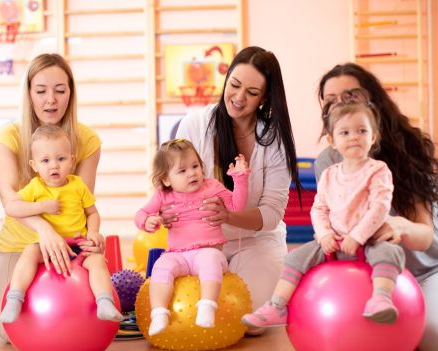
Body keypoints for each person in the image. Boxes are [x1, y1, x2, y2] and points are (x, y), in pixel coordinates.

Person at [242, 88, 405, 329]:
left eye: (362, 131)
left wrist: (358, 236)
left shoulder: (377, 170)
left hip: (369, 240)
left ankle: (380, 299)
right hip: (334, 242)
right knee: (296, 256)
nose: (354, 137)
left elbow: (380, 207)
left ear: (373, 137)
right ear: (332, 141)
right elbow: (319, 209)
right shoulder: (329, 174)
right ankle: (277, 306)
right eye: (345, 132)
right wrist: (326, 235)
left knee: (390, 253)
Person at [314, 63, 438, 351]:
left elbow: (425, 237)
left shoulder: (407, 149)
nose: (340, 104)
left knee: (431, 342)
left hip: (425, 267)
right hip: (370, 269)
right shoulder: (328, 162)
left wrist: (400, 226)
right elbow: (332, 223)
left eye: (350, 95)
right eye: (330, 100)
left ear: (373, 103)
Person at [174, 46, 301, 326]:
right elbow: (173, 183)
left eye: (252, 93)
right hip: (199, 241)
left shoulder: (273, 140)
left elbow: (271, 214)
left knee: (247, 321)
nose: (239, 98)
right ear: (226, 78)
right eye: (234, 85)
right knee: (194, 318)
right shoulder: (195, 124)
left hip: (257, 242)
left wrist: (229, 216)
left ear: (265, 97)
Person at [0, 53, 102, 340]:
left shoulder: (87, 140)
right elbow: (9, 200)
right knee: (8, 334)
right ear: (29, 93)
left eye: (60, 90)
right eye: (41, 91)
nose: (50, 99)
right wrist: (43, 229)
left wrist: (91, 236)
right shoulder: (10, 137)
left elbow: (85, 203)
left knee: (73, 329)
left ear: (70, 94)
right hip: (19, 244)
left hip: (69, 246)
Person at [0, 126, 122, 324]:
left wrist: (93, 231)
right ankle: (14, 299)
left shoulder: (78, 185)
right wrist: (41, 206)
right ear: (34, 165)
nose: (54, 166)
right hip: (47, 247)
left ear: (72, 160)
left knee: (97, 261)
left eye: (61, 159)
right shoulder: (35, 187)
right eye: (45, 161)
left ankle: (105, 303)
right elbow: (11, 208)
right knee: (29, 253)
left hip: (78, 244)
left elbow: (92, 213)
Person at [135, 139, 250, 335]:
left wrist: (240, 178)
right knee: (161, 266)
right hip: (178, 255)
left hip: (209, 250)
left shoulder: (211, 186)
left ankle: (207, 305)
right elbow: (141, 214)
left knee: (209, 260)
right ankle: (159, 312)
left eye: (195, 166)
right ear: (166, 179)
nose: (192, 173)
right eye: (183, 171)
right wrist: (147, 222)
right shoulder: (163, 195)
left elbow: (236, 205)